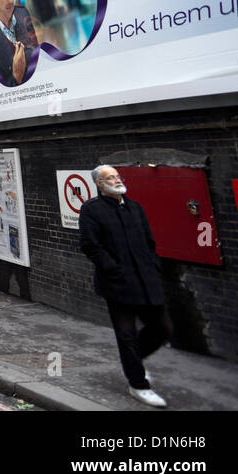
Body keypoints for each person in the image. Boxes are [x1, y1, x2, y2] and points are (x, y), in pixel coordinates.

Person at [78, 164, 172, 408]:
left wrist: (154, 266)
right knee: (126, 334)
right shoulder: (92, 210)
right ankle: (138, 385)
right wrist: (113, 269)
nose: (117, 180)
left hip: (146, 280)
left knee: (162, 328)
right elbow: (90, 245)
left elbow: (149, 241)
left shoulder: (134, 207)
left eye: (117, 176)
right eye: (110, 178)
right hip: (117, 284)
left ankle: (134, 362)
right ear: (99, 184)